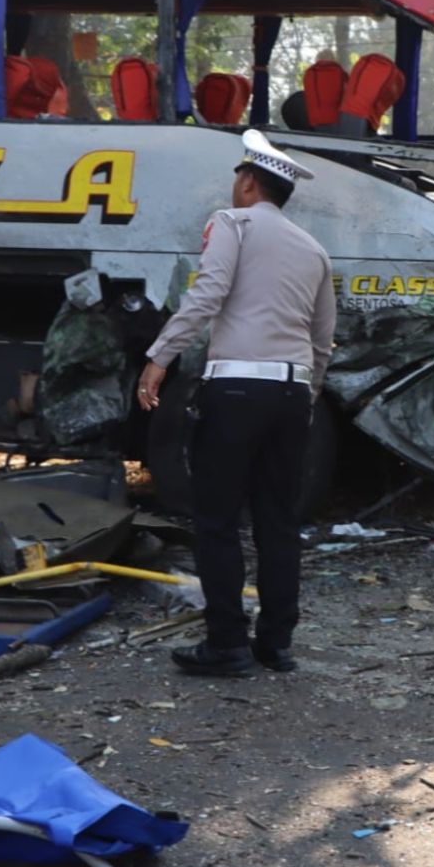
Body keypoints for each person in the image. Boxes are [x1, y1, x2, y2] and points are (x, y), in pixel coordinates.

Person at [138, 129, 337, 677]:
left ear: (248, 183)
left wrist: (160, 356)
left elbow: (209, 292)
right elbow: (322, 341)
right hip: (293, 394)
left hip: (237, 390)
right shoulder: (314, 250)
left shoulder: (233, 224)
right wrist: (307, 395)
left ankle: (226, 642)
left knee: (218, 519)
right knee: (277, 520)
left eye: (236, 179)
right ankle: (276, 643)